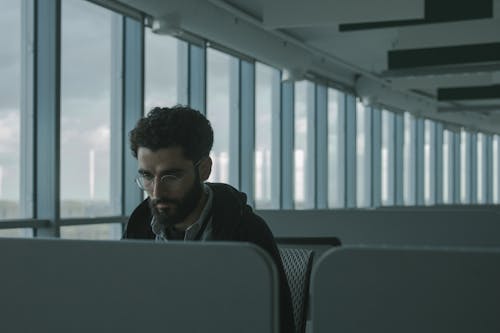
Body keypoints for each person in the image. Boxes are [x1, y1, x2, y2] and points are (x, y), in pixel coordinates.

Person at [122, 105, 295, 333]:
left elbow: (277, 325)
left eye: (171, 176)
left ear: (204, 169)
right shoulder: (139, 226)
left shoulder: (247, 234)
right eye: (147, 176)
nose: (156, 192)